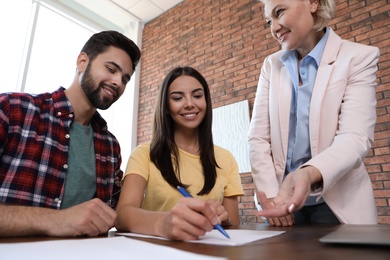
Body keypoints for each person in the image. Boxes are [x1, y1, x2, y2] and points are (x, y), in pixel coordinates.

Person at [248, 0, 379, 226]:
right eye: (269, 21)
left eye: (280, 13)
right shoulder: (271, 65)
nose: (274, 28)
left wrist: (308, 174)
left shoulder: (358, 57)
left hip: (337, 204)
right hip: (283, 203)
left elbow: (355, 137)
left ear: (312, 3)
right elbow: (258, 138)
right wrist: (270, 195)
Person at [0, 30, 141, 237]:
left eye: (125, 79)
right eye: (111, 69)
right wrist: (57, 220)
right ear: (82, 61)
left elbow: (121, 213)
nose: (118, 82)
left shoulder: (110, 145)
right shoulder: (13, 109)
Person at [115, 66, 244, 240]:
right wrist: (164, 222)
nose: (190, 104)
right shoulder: (144, 154)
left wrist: (224, 218)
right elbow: (122, 215)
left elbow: (234, 223)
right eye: (177, 98)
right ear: (166, 106)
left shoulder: (226, 158)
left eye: (198, 96)